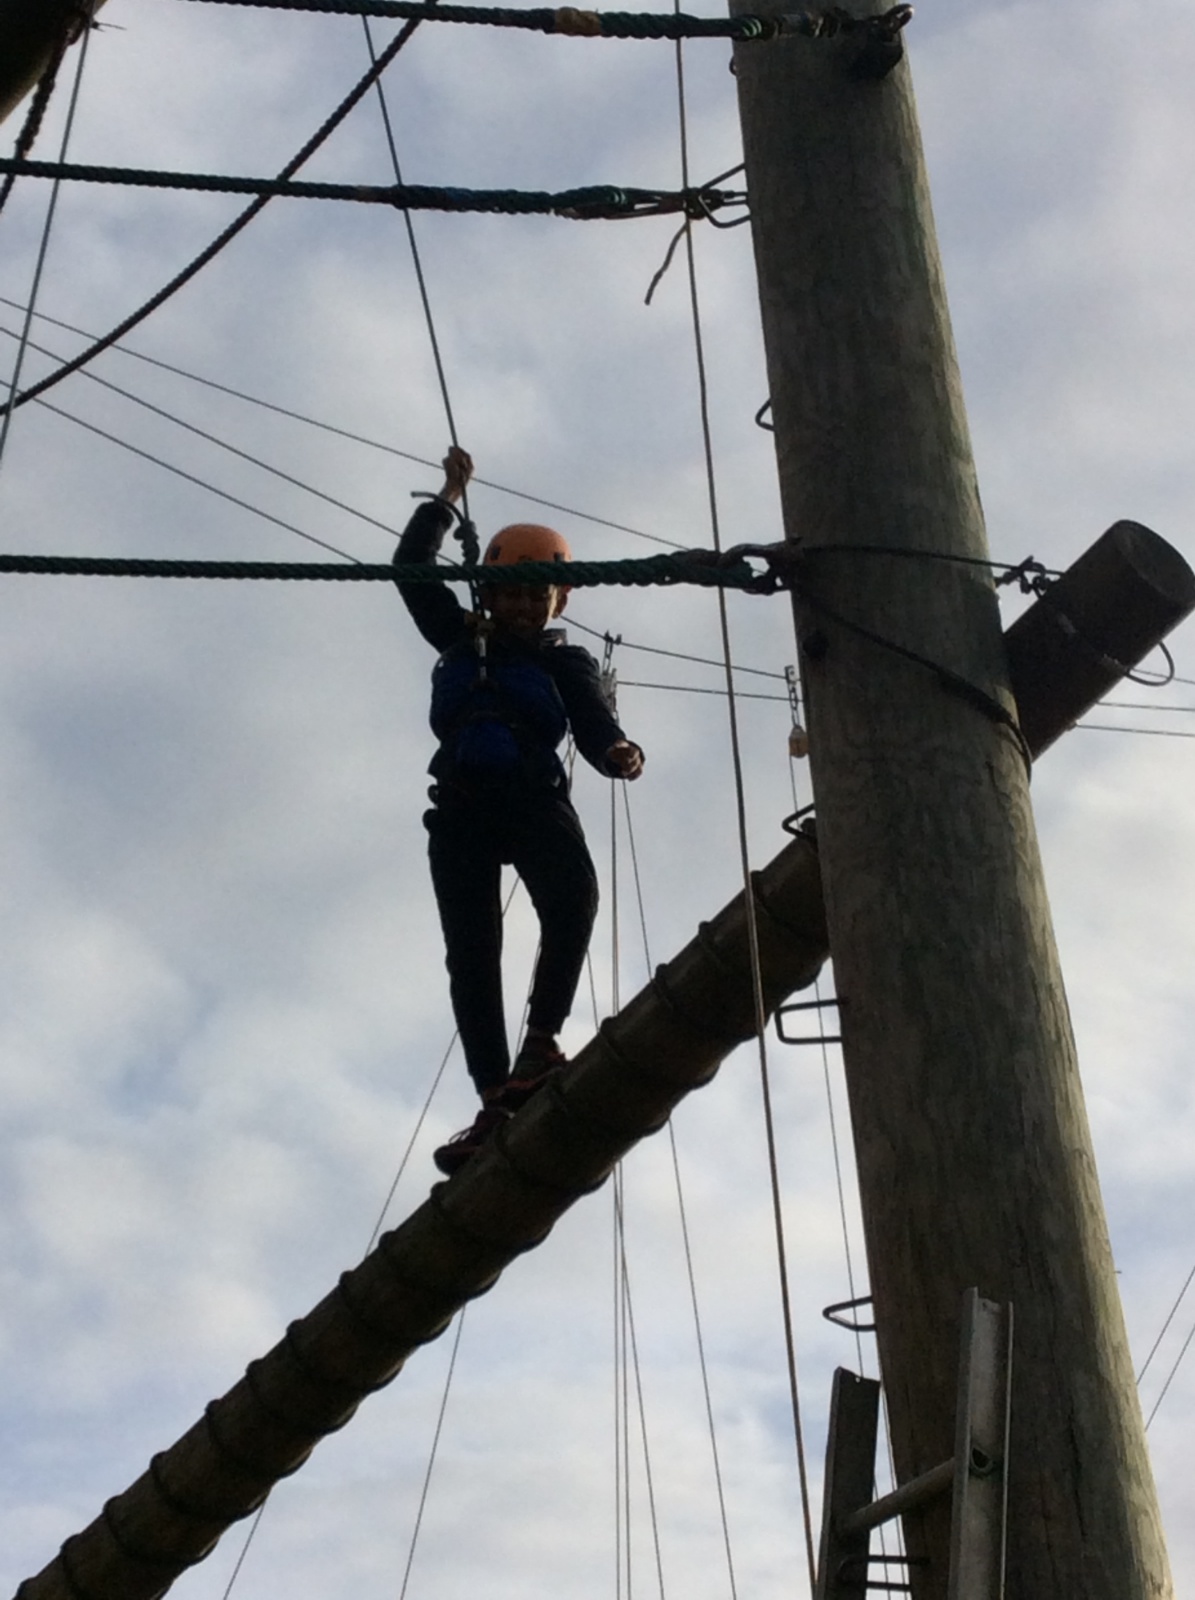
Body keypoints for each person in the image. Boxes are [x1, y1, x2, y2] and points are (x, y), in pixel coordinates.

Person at [395, 446, 644, 1175]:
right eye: (513, 594)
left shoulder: (564, 660)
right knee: (472, 952)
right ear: (490, 594)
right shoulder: (459, 635)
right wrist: (447, 497)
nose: (526, 607)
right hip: (461, 808)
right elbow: (411, 569)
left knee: (574, 898)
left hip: (533, 797)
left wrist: (616, 750)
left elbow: (591, 718)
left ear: (559, 603)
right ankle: (494, 1097)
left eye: (541, 597)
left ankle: (540, 1043)